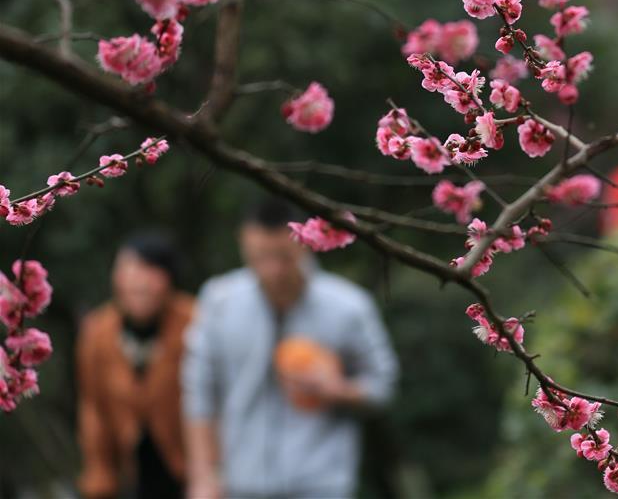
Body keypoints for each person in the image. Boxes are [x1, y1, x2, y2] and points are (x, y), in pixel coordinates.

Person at [182, 199, 399, 499]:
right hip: (240, 482)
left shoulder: (348, 306)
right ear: (243, 243)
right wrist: (204, 477)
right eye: (260, 256)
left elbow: (383, 385)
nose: (272, 270)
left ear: (305, 242)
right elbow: (199, 393)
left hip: (321, 483)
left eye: (283, 257)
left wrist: (336, 390)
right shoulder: (218, 301)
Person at [77, 233, 195, 499]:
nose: (137, 281)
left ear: (169, 278)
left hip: (189, 469)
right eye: (127, 269)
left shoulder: (196, 322)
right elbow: (93, 409)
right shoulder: (98, 332)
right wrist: (99, 476)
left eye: (149, 271)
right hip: (133, 474)